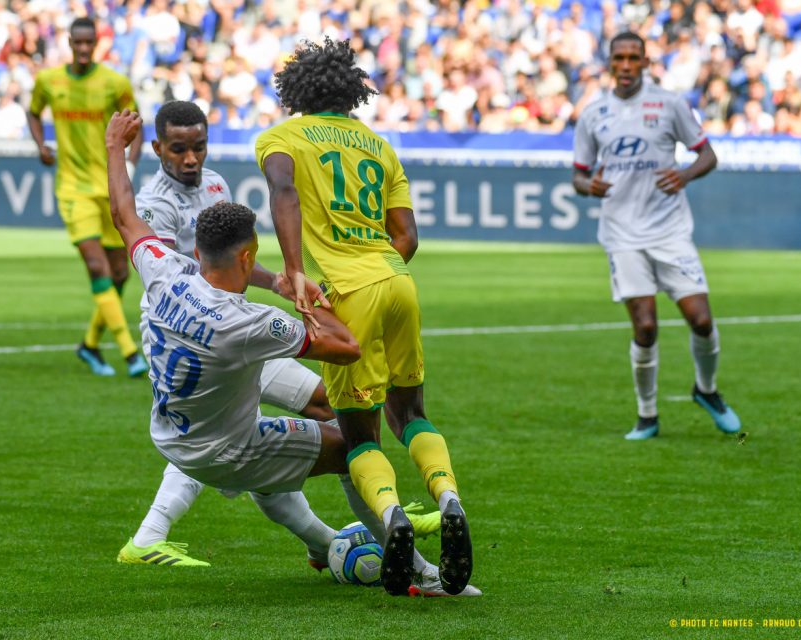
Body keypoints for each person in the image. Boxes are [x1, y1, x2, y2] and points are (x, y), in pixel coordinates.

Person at [105, 110, 477, 597]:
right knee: (352, 445)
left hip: (180, 415)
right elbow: (346, 347)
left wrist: (115, 148)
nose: (192, 157)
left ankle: (323, 543)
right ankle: (417, 567)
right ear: (246, 256)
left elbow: (122, 217)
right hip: (226, 445)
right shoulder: (255, 325)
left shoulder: (162, 269)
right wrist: (318, 299)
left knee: (322, 408)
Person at [255, 38, 473, 597]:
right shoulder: (378, 145)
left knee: (358, 435)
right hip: (398, 281)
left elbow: (282, 189)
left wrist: (299, 270)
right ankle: (447, 496)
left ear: (296, 91)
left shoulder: (281, 140)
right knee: (412, 411)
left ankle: (395, 518)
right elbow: (408, 237)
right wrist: (377, 269)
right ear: (351, 89)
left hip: (347, 293)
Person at [572, 32, 741, 440]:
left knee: (701, 319)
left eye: (634, 58)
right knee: (645, 327)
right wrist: (586, 186)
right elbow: (578, 174)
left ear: (646, 62)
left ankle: (706, 390)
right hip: (622, 234)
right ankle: (647, 416)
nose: (626, 65)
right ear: (609, 62)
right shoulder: (593, 114)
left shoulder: (669, 104)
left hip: (670, 231)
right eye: (619, 58)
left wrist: (683, 174)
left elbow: (708, 154)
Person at [27, 16, 147, 378]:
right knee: (97, 267)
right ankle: (130, 353)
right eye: (76, 43)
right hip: (71, 187)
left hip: (108, 187)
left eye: (87, 43)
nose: (82, 49)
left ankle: (90, 344)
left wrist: (132, 161)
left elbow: (136, 121)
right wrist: (40, 145)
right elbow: (32, 112)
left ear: (96, 43)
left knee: (121, 272)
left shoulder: (114, 82)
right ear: (68, 42)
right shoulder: (49, 81)